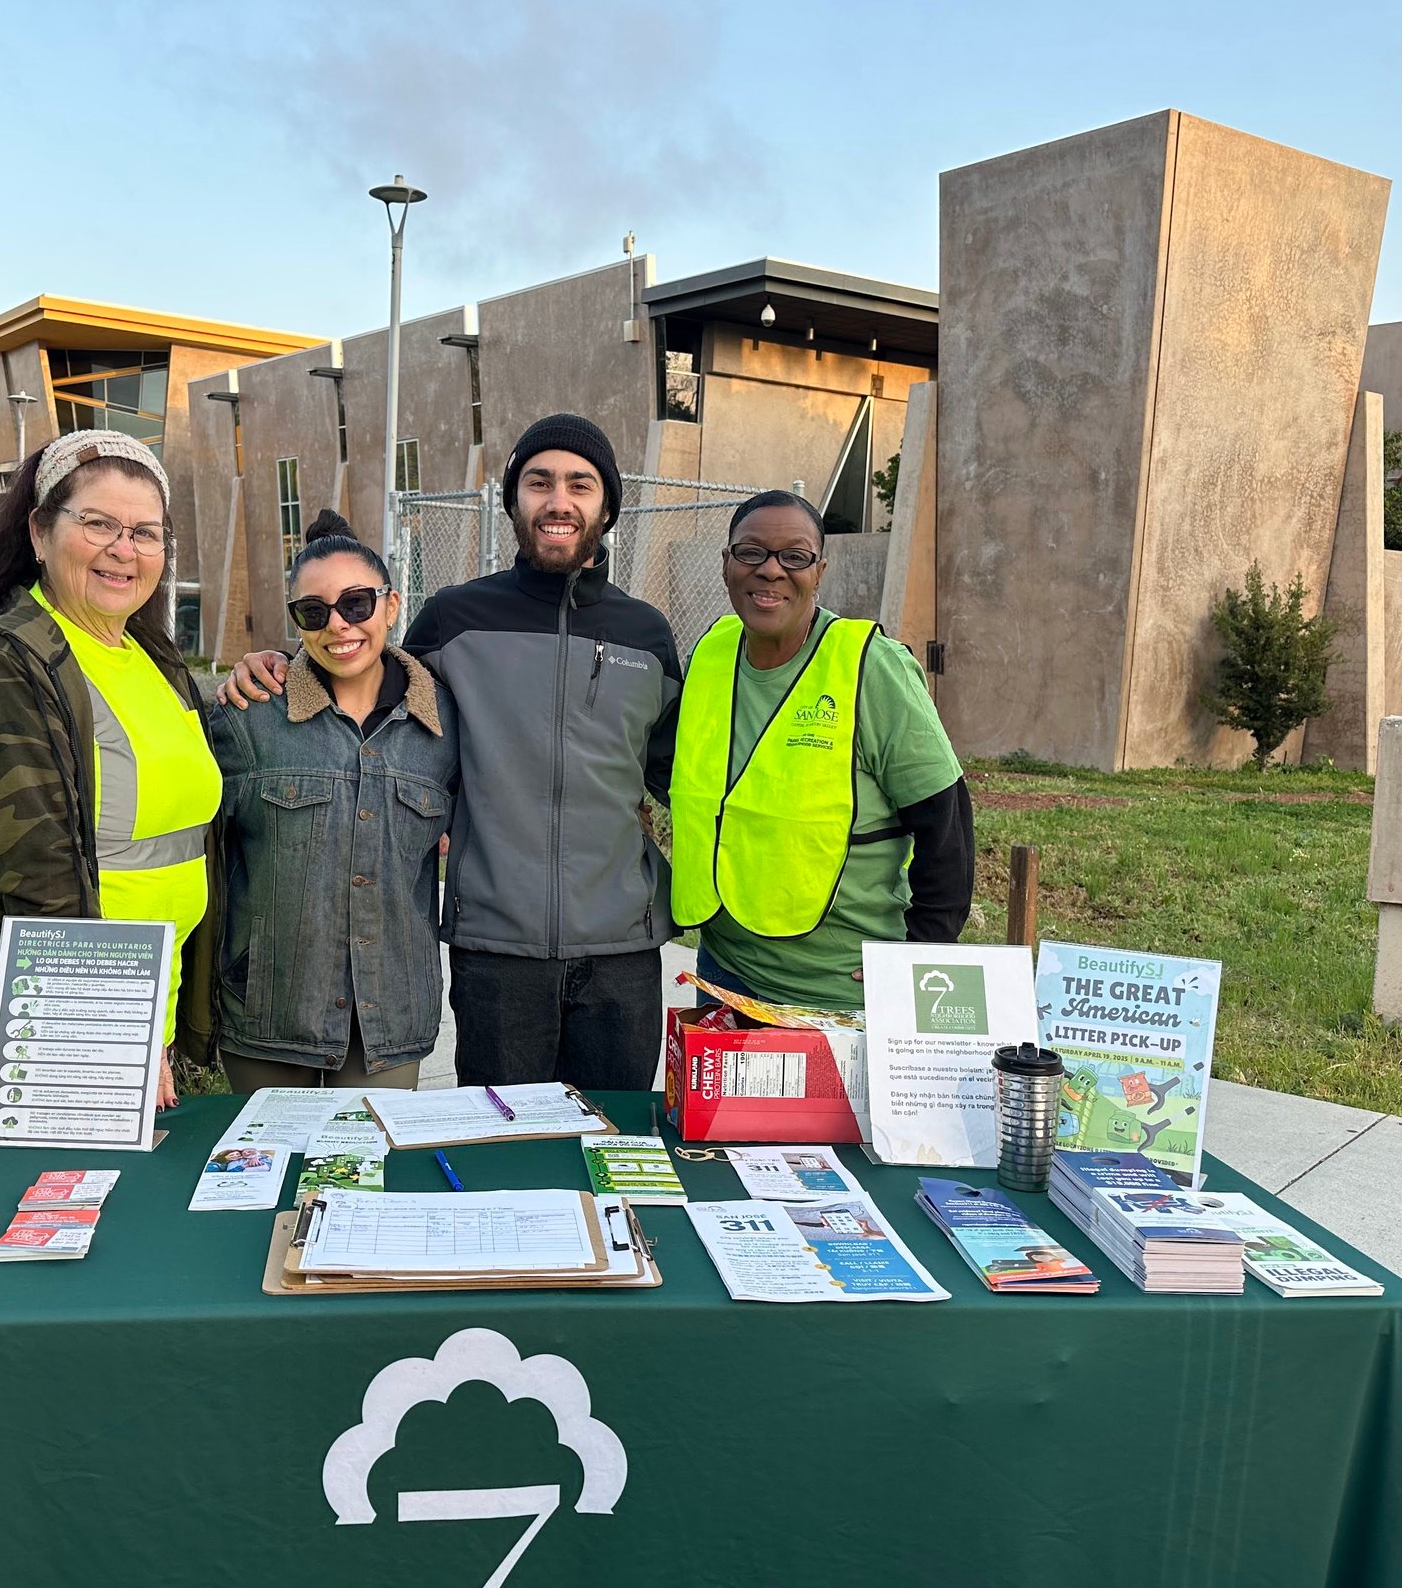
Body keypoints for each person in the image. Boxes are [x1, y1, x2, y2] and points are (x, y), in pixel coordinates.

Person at [222, 413, 678, 1090]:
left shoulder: (649, 635)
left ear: (607, 506)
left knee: (613, 1144)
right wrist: (274, 665)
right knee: (500, 1150)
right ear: (514, 502)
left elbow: (677, 778)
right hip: (496, 950)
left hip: (623, 950)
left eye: (580, 485)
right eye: (539, 482)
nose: (559, 501)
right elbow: (360, 668)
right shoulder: (455, 617)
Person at [0, 430, 219, 1101]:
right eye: (99, 524)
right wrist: (115, 1037)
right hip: (53, 1036)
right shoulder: (0, 664)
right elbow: (40, 876)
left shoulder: (151, 656)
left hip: (141, 1018)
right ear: (40, 532)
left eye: (145, 532)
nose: (124, 549)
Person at [670, 489, 974, 1014]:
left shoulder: (869, 667)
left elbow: (947, 822)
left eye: (794, 557)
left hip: (837, 997)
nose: (771, 571)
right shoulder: (711, 652)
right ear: (726, 565)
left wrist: (918, 961)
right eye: (751, 553)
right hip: (724, 973)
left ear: (819, 571)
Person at [209, 509, 458, 1093]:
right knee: (267, 1173)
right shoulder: (246, 718)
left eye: (357, 604)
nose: (339, 625)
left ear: (391, 606)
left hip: (389, 1020)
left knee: (366, 1175)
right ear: (296, 622)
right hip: (271, 1012)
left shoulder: (446, 725)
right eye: (314, 612)